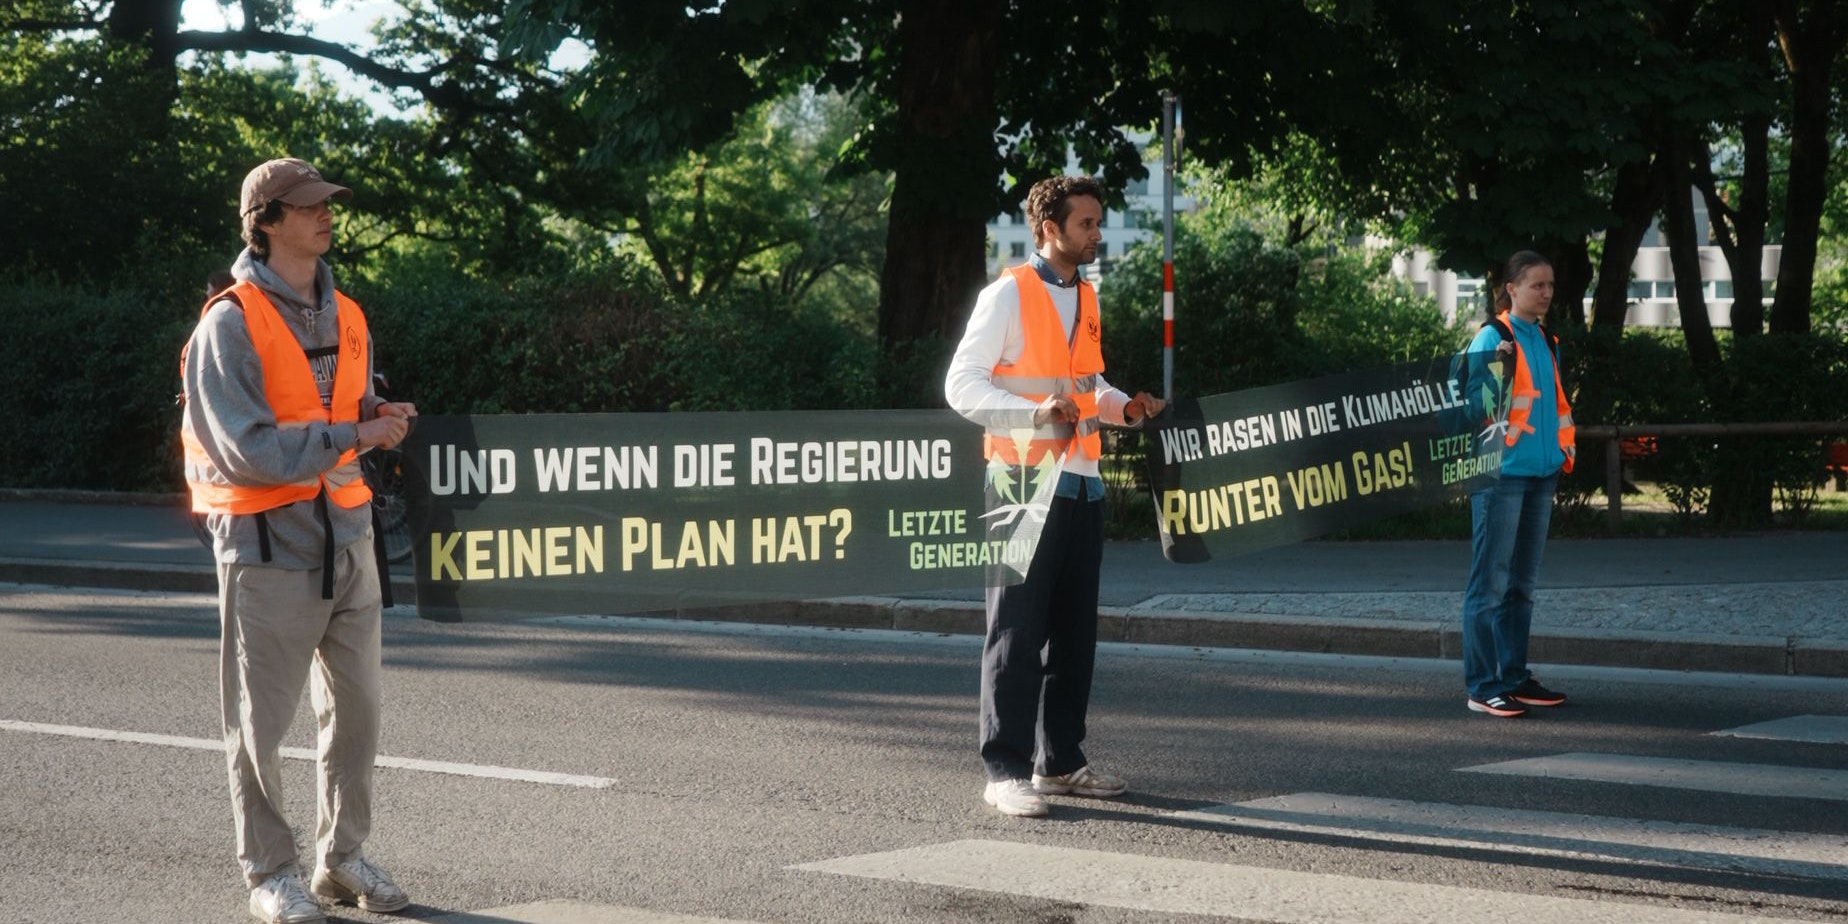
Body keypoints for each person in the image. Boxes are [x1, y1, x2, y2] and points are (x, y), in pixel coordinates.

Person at [180, 157, 417, 923]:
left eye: (327, 204)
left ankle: (341, 860)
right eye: (310, 206)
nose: (327, 215)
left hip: (348, 536)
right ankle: (269, 872)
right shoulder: (230, 322)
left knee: (358, 713)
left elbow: (350, 400)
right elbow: (250, 449)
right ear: (268, 221)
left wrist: (380, 409)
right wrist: (356, 429)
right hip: (267, 548)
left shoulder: (347, 312)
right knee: (259, 723)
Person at [944, 175, 1166, 817]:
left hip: (1082, 480)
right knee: (1015, 629)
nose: (1097, 235)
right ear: (1050, 227)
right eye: (1086, 225)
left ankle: (1060, 762)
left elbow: (1087, 380)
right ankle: (1005, 769)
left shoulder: (1086, 296)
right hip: (1019, 480)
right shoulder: (1007, 294)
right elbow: (962, 385)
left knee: (1074, 634)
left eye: (1098, 224)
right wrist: (1037, 413)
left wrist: (1129, 407)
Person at [1459, 250, 1576, 718]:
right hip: (1502, 476)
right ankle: (1482, 685)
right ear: (1512, 288)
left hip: (1541, 473)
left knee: (1521, 586)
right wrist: (1494, 369)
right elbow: (1472, 409)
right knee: (1490, 585)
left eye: (1550, 285)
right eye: (1537, 285)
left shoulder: (1547, 339)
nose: (1546, 293)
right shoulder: (1492, 336)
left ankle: (1513, 676)